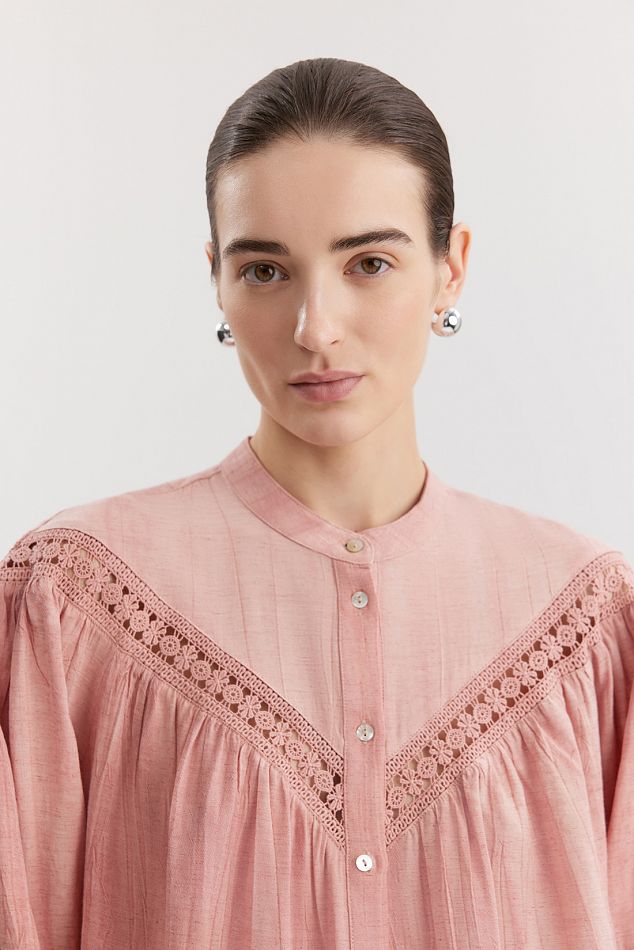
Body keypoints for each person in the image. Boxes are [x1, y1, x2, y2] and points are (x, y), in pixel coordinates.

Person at [1, 57, 632, 950]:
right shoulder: (72, 602)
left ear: (451, 268)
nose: (316, 328)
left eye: (369, 262)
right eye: (266, 271)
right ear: (218, 279)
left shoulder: (588, 620)